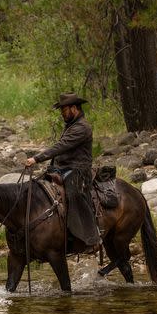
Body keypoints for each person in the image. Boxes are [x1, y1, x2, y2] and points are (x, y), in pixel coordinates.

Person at [25, 93, 100, 252]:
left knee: (75, 195)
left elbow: (61, 146)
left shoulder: (82, 127)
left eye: (64, 110)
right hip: (63, 168)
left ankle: (91, 238)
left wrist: (37, 158)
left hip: (78, 170)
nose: (62, 114)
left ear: (74, 108)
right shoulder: (72, 125)